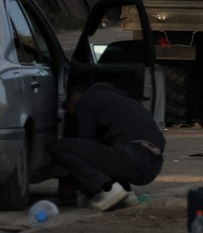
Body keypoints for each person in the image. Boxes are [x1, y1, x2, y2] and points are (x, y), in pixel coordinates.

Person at [46, 83, 165, 212]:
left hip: (132, 157)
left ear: (73, 100)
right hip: (152, 166)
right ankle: (126, 193)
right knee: (108, 152)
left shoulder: (87, 100)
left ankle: (108, 188)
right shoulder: (121, 101)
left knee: (56, 146)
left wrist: (71, 182)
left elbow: (85, 144)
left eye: (66, 107)